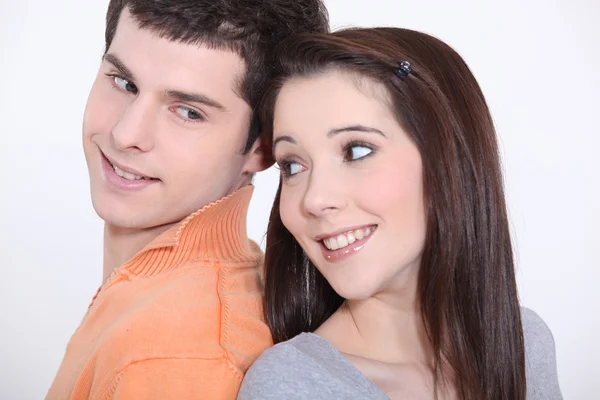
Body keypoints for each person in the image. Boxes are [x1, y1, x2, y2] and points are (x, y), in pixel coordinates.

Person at [237, 28, 562, 399]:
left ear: (448, 158)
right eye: (293, 166)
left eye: (356, 151)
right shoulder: (293, 384)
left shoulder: (525, 343)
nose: (314, 199)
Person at [46, 1, 329, 399]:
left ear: (263, 147)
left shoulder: (175, 356)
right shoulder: (159, 307)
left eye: (188, 112)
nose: (127, 134)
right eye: (124, 83)